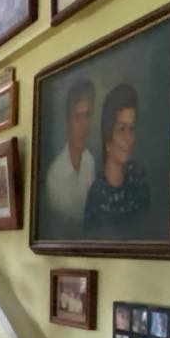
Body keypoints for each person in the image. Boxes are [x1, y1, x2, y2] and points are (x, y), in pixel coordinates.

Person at [84, 83, 150, 236]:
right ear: (107, 137)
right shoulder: (97, 196)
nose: (128, 138)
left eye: (131, 129)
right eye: (121, 129)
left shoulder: (138, 177)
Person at [45, 79, 96, 233]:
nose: (84, 126)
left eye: (87, 116)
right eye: (78, 117)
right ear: (68, 123)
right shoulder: (55, 176)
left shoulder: (90, 161)